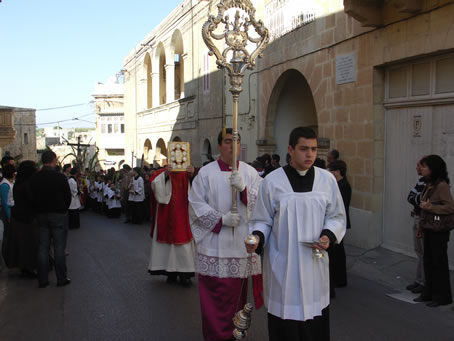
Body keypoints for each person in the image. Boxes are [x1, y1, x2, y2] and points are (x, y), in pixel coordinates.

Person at [247, 127, 346, 341]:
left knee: (315, 322)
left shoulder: (326, 180)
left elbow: (337, 216)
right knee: (286, 326)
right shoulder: (272, 182)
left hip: (314, 263)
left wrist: (328, 235)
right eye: (303, 149)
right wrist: (257, 237)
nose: (309, 154)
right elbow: (262, 220)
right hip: (284, 264)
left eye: (313, 149)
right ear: (291, 150)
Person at [189, 128, 263, 341]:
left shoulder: (250, 173)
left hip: (240, 248)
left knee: (236, 304)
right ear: (219, 146)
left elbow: (264, 207)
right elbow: (195, 205)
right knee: (214, 303)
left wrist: (244, 191)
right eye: (228, 141)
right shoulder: (206, 173)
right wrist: (221, 219)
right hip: (214, 246)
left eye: (237, 141)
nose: (233, 146)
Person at [414, 154, 454, 307]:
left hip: (439, 229)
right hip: (429, 228)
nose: (422, 169)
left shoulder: (442, 185)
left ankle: (442, 297)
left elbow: (450, 207)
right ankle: (428, 293)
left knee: (439, 263)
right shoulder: (429, 184)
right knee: (428, 261)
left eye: (424, 166)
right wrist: (421, 228)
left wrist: (431, 207)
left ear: (433, 169)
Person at [148, 164, 196, 287]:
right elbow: (154, 184)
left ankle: (185, 274)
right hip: (166, 213)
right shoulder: (162, 172)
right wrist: (165, 175)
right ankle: (170, 272)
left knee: (183, 243)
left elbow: (198, 189)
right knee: (168, 245)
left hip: (183, 212)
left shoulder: (187, 171)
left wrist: (192, 175)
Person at [30, 150, 71, 288]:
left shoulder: (35, 178)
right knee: (59, 247)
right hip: (58, 215)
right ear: (53, 160)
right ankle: (61, 278)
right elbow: (67, 196)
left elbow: (32, 197)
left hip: (41, 215)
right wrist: (63, 209)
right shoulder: (59, 177)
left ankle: (43, 279)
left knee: (43, 247)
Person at [10, 160, 39, 276]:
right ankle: (28, 267)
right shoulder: (27, 185)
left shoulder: (18, 183)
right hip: (27, 218)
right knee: (28, 244)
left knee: (21, 245)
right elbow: (32, 200)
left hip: (18, 216)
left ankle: (24, 266)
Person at [327, 160, 351, 292]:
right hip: (339, 223)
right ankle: (338, 278)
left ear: (337, 171)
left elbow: (342, 206)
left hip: (340, 223)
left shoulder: (343, 185)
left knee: (339, 252)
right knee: (337, 252)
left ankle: (340, 279)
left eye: (331, 170)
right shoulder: (339, 184)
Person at [406, 160, 426, 294]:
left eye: (420, 165)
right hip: (418, 217)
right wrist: (419, 200)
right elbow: (410, 196)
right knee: (419, 251)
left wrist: (418, 200)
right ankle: (419, 280)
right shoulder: (421, 181)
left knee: (424, 252)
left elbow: (425, 200)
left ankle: (424, 282)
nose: (417, 167)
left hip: (425, 220)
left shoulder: (434, 183)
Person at [0, 164, 16, 268]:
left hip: (11, 209)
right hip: (7, 211)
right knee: (6, 235)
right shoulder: (4, 185)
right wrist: (9, 216)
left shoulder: (9, 183)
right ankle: (5, 258)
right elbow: (5, 202)